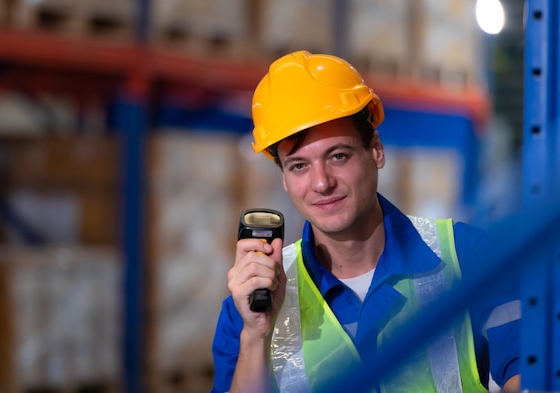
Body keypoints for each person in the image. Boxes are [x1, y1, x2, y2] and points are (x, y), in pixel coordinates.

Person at [211, 50, 521, 393]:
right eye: (299, 165)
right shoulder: (250, 305)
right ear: (284, 178)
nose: (321, 183)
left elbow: (530, 367)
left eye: (338, 156)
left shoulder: (469, 256)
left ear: (376, 150)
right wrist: (255, 335)